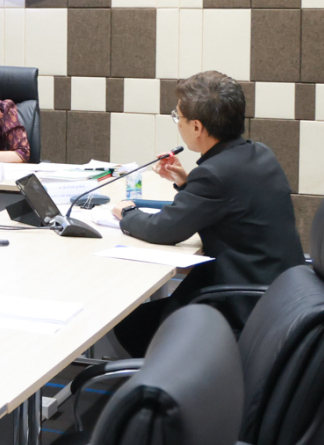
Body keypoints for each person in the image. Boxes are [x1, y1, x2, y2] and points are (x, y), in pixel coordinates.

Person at [112, 70, 302, 354]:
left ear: (197, 127)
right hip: (279, 296)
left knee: (131, 326)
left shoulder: (215, 174)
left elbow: (163, 229)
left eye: (178, 117)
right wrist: (186, 182)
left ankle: (171, 376)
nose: (178, 124)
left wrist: (128, 214)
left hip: (243, 306)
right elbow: (225, 202)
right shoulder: (259, 153)